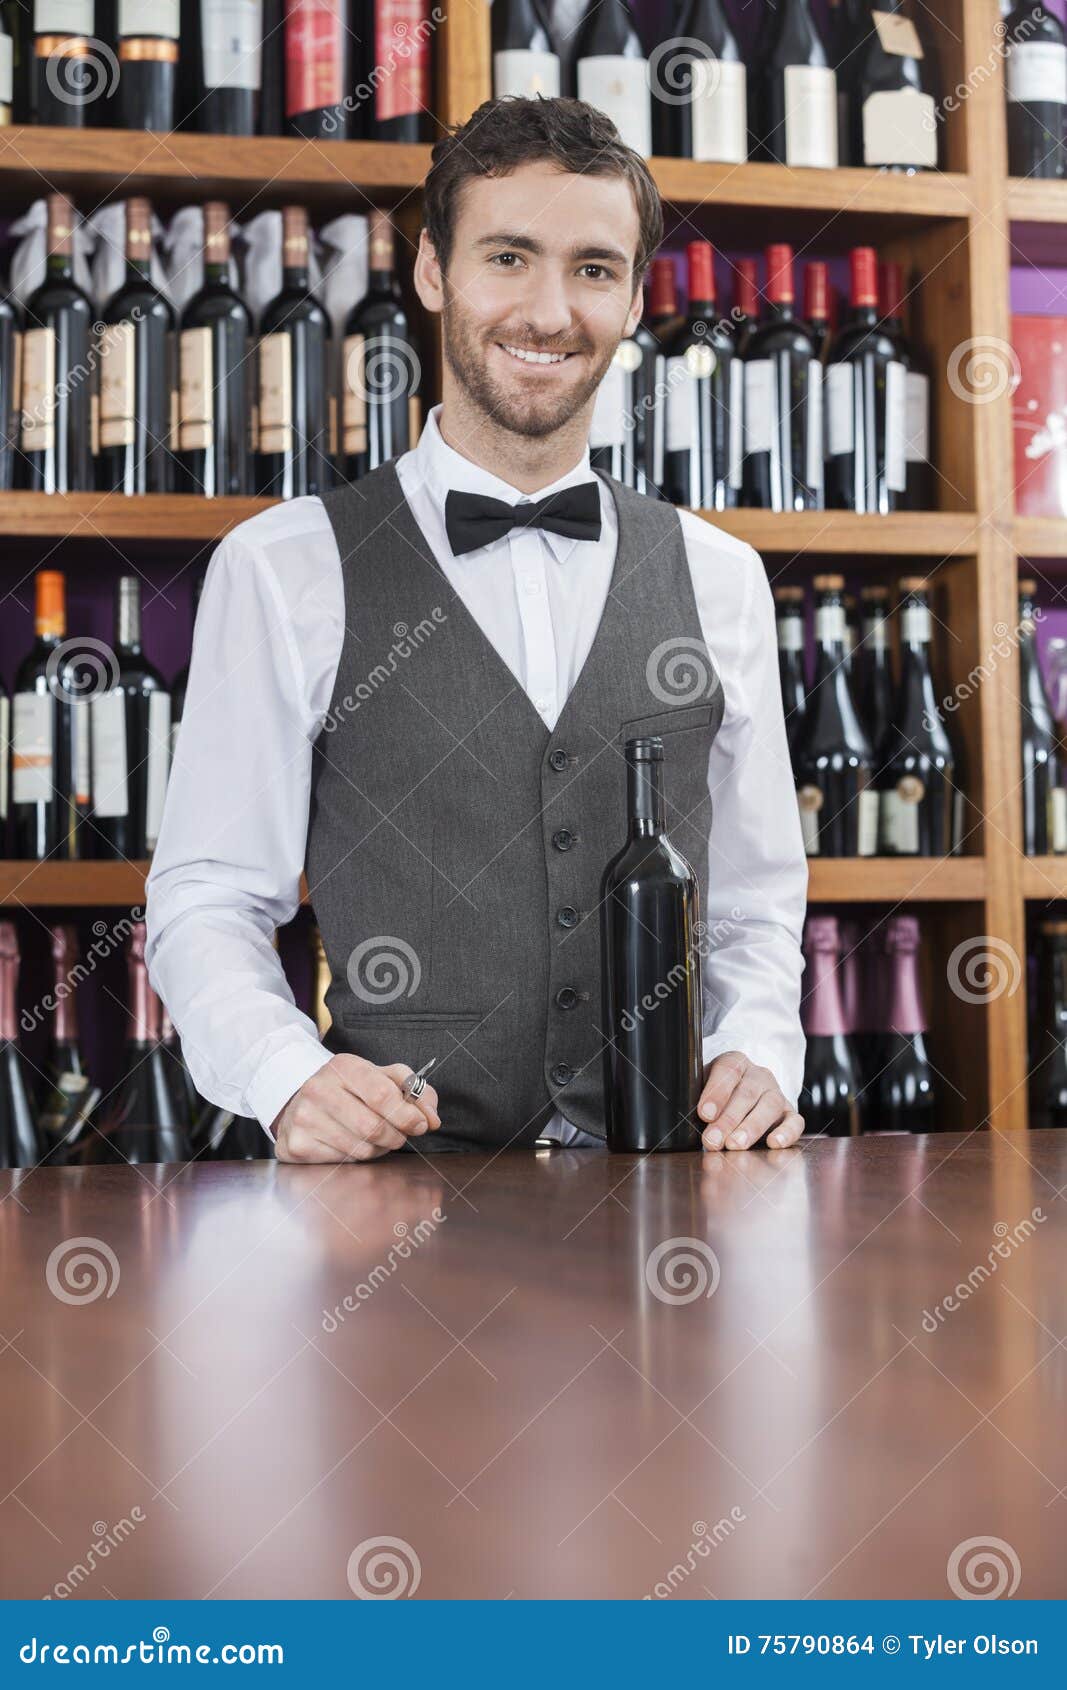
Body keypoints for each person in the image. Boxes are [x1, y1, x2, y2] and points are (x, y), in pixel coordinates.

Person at [145, 95, 808, 1163]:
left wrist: (759, 1052)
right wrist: (286, 1076)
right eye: (508, 257)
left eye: (594, 269)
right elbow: (209, 893)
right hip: (390, 1209)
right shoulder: (284, 567)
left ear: (635, 297)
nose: (549, 311)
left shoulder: (720, 577)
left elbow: (751, 905)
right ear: (431, 271)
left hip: (669, 1204)